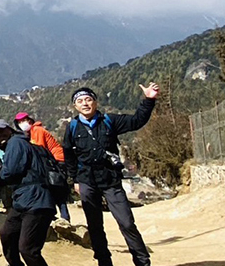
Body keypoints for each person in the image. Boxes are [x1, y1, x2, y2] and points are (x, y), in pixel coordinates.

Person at [63, 84, 160, 266]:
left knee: (127, 223)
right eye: (80, 101)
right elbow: (68, 154)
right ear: (75, 106)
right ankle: (104, 262)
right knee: (95, 227)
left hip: (110, 181)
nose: (85, 104)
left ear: (96, 102)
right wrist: (74, 179)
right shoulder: (72, 127)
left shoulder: (110, 121)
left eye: (88, 99)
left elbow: (137, 121)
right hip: (87, 181)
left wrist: (148, 99)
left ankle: (142, 261)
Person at [0, 120, 57, 266]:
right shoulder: (16, 145)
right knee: (7, 235)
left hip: (37, 201)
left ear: (10, 130)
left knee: (28, 249)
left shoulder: (16, 142)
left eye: (1, 131)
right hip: (23, 200)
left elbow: (8, 173)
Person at [15, 111, 69, 221]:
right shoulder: (32, 132)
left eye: (24, 120)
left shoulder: (37, 130)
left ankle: (64, 218)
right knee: (54, 188)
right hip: (53, 160)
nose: (22, 123)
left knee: (55, 187)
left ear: (29, 121)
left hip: (56, 161)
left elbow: (39, 148)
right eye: (20, 122)